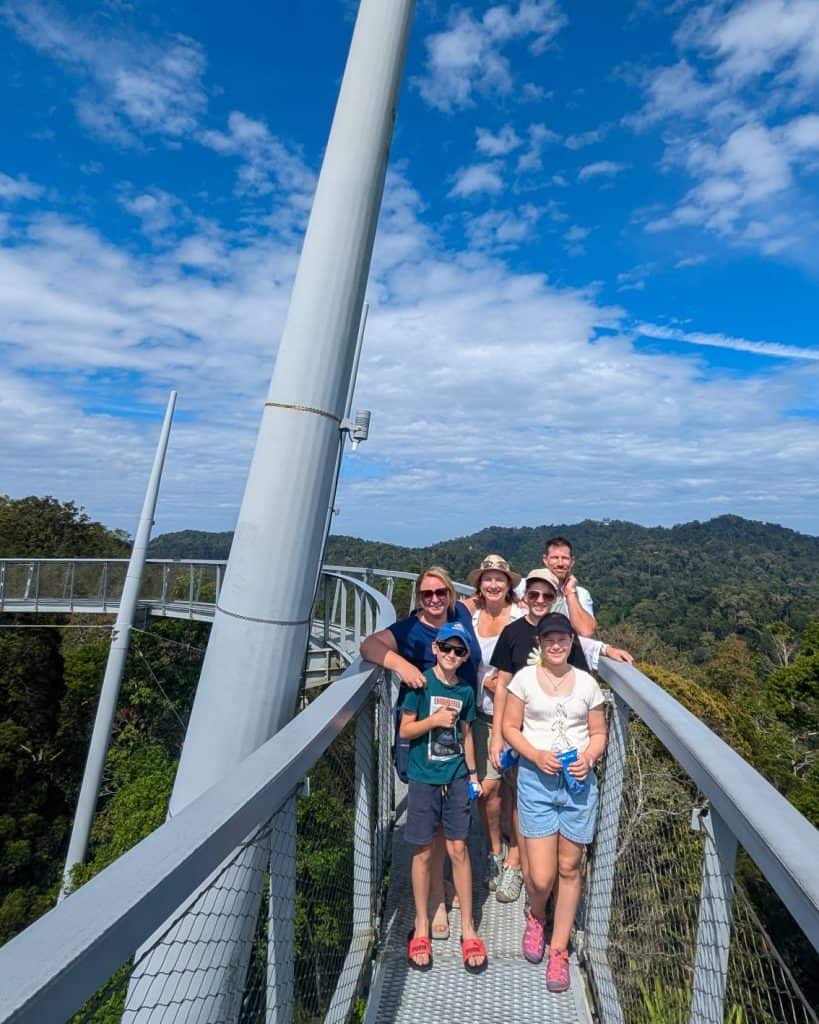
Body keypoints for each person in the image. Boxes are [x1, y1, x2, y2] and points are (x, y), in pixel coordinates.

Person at [488, 569, 632, 915]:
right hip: (524, 745)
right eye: (533, 595)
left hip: (567, 765)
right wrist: (498, 736)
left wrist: (609, 649)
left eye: (546, 596)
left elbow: (583, 647)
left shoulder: (568, 647)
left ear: (555, 599)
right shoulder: (514, 633)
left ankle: (544, 887)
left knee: (559, 846)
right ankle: (523, 871)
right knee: (520, 803)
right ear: (524, 597)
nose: (539, 600)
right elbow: (503, 686)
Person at [360, 565, 481, 939]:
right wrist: (400, 664)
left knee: (449, 826)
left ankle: (442, 887)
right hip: (423, 743)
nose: (434, 600)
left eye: (440, 592)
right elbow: (369, 646)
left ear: (452, 595)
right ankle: (437, 903)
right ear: (418, 598)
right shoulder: (410, 630)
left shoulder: (460, 614)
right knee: (431, 830)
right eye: (426, 594)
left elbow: (484, 602)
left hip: (457, 741)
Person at [503, 613, 608, 993]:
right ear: (540, 642)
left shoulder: (586, 684)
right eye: (550, 639)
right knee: (542, 875)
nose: (557, 644)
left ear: (571, 641)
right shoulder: (524, 680)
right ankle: (536, 914)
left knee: (569, 865)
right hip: (537, 782)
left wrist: (590, 757)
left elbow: (598, 733)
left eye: (563, 638)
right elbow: (510, 728)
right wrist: (533, 754)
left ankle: (558, 950)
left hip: (578, 784)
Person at [400, 622, 487, 972]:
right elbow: (405, 730)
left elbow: (467, 734)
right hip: (423, 777)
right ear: (435, 648)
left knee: (458, 848)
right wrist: (434, 720)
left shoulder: (466, 691)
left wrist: (473, 774)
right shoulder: (421, 683)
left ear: (465, 655)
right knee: (422, 851)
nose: (452, 655)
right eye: (446, 648)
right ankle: (421, 923)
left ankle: (469, 928)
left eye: (459, 650)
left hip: (455, 777)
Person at [460, 555, 526, 901]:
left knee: (516, 789)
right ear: (479, 585)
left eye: (500, 578)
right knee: (488, 789)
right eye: (488, 579)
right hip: (482, 713)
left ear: (509, 583)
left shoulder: (520, 617)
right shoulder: (469, 617)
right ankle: (494, 851)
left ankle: (515, 861)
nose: (494, 584)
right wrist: (488, 680)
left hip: (518, 717)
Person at [542, 536, 596, 636]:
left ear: (572, 562)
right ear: (545, 560)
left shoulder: (581, 594)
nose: (560, 563)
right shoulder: (528, 589)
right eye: (554, 558)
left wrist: (570, 592)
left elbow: (586, 631)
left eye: (565, 558)